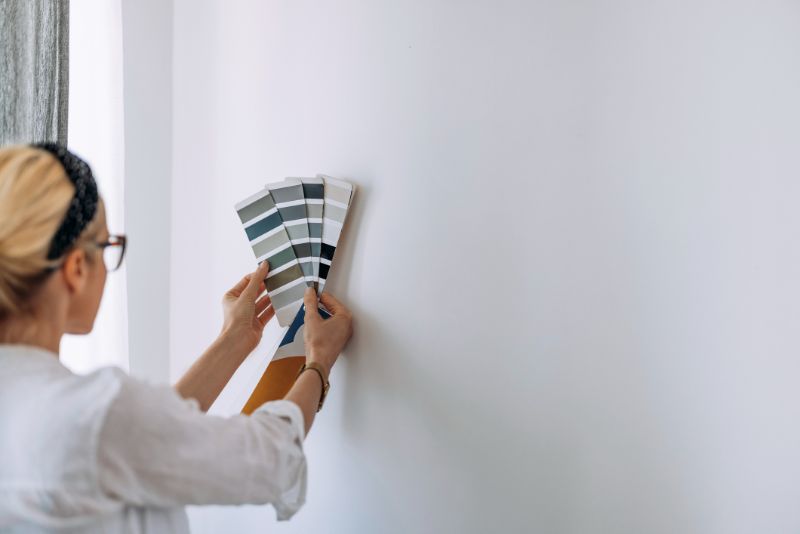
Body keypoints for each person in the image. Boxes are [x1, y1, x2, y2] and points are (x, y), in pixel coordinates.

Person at [0, 143, 354, 533]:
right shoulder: (93, 415)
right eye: (107, 246)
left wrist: (232, 341)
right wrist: (318, 361)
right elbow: (270, 457)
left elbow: (147, 438)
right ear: (76, 268)